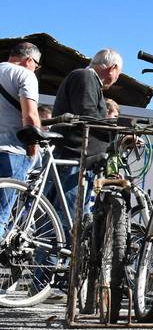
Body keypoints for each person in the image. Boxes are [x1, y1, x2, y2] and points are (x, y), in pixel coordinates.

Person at [49, 48, 122, 239]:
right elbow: (88, 113)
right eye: (118, 74)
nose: (116, 80)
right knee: (65, 221)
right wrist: (117, 129)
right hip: (73, 158)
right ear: (112, 68)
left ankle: (50, 265)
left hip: (77, 159)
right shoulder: (85, 77)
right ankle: (49, 267)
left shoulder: (87, 80)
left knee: (64, 219)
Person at [0, 42, 42, 239]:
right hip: (11, 154)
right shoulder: (25, 75)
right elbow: (31, 117)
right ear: (29, 60)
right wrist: (33, 151)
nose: (36, 69)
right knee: (1, 217)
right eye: (37, 65)